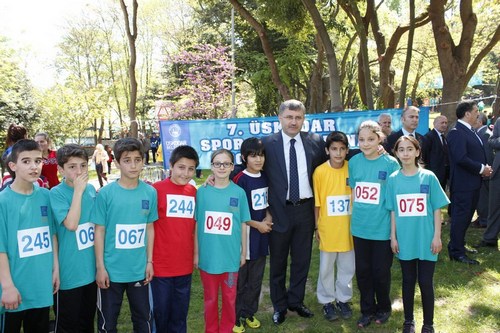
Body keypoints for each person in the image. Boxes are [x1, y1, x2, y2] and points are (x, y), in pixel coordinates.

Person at [262, 99, 326, 325]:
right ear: (280, 118)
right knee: (278, 262)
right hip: (279, 211)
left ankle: (296, 301)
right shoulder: (267, 144)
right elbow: (248, 166)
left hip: (306, 211)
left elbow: (336, 160)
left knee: (302, 260)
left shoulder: (316, 141)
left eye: (298, 117)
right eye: (289, 117)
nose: (293, 121)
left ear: (303, 119)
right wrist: (216, 176)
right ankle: (279, 305)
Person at [94, 138, 158, 332]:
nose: (133, 165)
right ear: (116, 163)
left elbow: (149, 228)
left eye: (137, 159)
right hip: (111, 271)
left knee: (143, 319)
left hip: (138, 270)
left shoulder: (150, 192)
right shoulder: (105, 194)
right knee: (107, 322)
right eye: (127, 160)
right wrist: (100, 267)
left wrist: (149, 262)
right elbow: (100, 231)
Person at [387, 136, 450, 333]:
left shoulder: (429, 177)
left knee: (425, 281)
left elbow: (438, 208)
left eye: (409, 149)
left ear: (417, 152)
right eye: (401, 150)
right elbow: (393, 211)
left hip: (426, 239)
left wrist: (437, 236)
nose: (405, 153)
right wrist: (393, 237)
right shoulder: (393, 180)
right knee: (407, 280)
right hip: (405, 239)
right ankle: (408, 321)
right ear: (396, 153)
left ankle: (428, 324)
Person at [0, 139, 59, 332]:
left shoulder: (46, 196)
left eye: (38, 160)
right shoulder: (3, 202)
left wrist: (55, 269)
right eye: (26, 161)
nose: (34, 166)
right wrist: (8, 286)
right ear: (13, 165)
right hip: (13, 290)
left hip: (40, 288)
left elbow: (52, 235)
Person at [348, 121, 400, 328]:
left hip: (382, 229)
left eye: (371, 139)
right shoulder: (354, 162)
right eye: (361, 139)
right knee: (363, 271)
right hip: (360, 228)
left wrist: (394, 232)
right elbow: (354, 193)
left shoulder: (390, 164)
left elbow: (394, 200)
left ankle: (384, 307)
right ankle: (366, 310)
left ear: (380, 139)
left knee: (380, 272)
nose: (365, 143)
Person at [195, 149, 249, 333]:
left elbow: (242, 224)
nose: (221, 167)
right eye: (217, 163)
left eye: (226, 163)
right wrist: (196, 253)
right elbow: (196, 224)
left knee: (229, 298)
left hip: (230, 258)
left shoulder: (239, 193)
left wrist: (243, 252)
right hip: (208, 257)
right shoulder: (201, 193)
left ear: (232, 167)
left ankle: (227, 329)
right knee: (210, 299)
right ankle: (211, 330)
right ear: (211, 166)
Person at [49, 144, 97, 332]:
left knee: (87, 322)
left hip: (90, 271)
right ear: (60, 170)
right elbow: (71, 224)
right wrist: (77, 191)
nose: (79, 171)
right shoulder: (56, 193)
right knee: (68, 324)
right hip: (69, 274)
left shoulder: (91, 190)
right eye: (72, 167)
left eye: (83, 166)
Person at [151, 145, 199, 333]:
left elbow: (194, 226)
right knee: (161, 313)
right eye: (181, 167)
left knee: (180, 314)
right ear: (171, 166)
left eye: (191, 169)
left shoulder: (195, 193)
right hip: (161, 265)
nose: (185, 173)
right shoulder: (155, 190)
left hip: (184, 265)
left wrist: (195, 253)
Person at [313, 131, 355, 322]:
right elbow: (318, 204)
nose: (338, 153)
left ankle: (343, 299)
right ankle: (327, 300)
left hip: (349, 227)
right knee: (326, 267)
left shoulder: (352, 168)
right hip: (328, 227)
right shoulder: (320, 172)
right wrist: (317, 228)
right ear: (327, 150)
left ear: (347, 150)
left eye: (342, 149)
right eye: (334, 149)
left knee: (347, 266)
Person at [232, 138, 272, 333]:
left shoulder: (265, 176)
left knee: (256, 280)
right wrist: (257, 224)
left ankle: (249, 313)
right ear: (244, 158)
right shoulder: (240, 179)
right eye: (253, 155)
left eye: (261, 155)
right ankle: (236, 316)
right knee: (241, 281)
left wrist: (268, 219)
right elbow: (237, 212)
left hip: (261, 238)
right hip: (245, 237)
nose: (258, 159)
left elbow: (267, 203)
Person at [447, 101, 492, 265]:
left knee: (465, 218)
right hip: (463, 185)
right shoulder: (457, 132)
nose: (478, 114)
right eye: (475, 111)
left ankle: (458, 245)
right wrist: (481, 168)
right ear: (467, 113)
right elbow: (461, 158)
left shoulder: (469, 131)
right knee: (461, 218)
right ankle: (456, 253)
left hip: (472, 183)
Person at [476, 117, 500, 248]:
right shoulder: (499, 121)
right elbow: (492, 140)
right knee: (494, 205)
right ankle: (490, 238)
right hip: (498, 172)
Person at [472, 112, 494, 228]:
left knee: (483, 198)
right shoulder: (482, 133)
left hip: (484, 172)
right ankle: (482, 218)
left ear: (480, 122)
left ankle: (484, 220)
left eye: (475, 119)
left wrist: (484, 170)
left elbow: (487, 155)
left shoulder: (484, 134)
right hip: (482, 171)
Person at [421, 116, 449, 191]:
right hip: (433, 174)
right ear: (434, 124)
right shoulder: (428, 137)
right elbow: (424, 157)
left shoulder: (444, 137)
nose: (444, 125)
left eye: (446, 123)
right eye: (442, 123)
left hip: (443, 175)